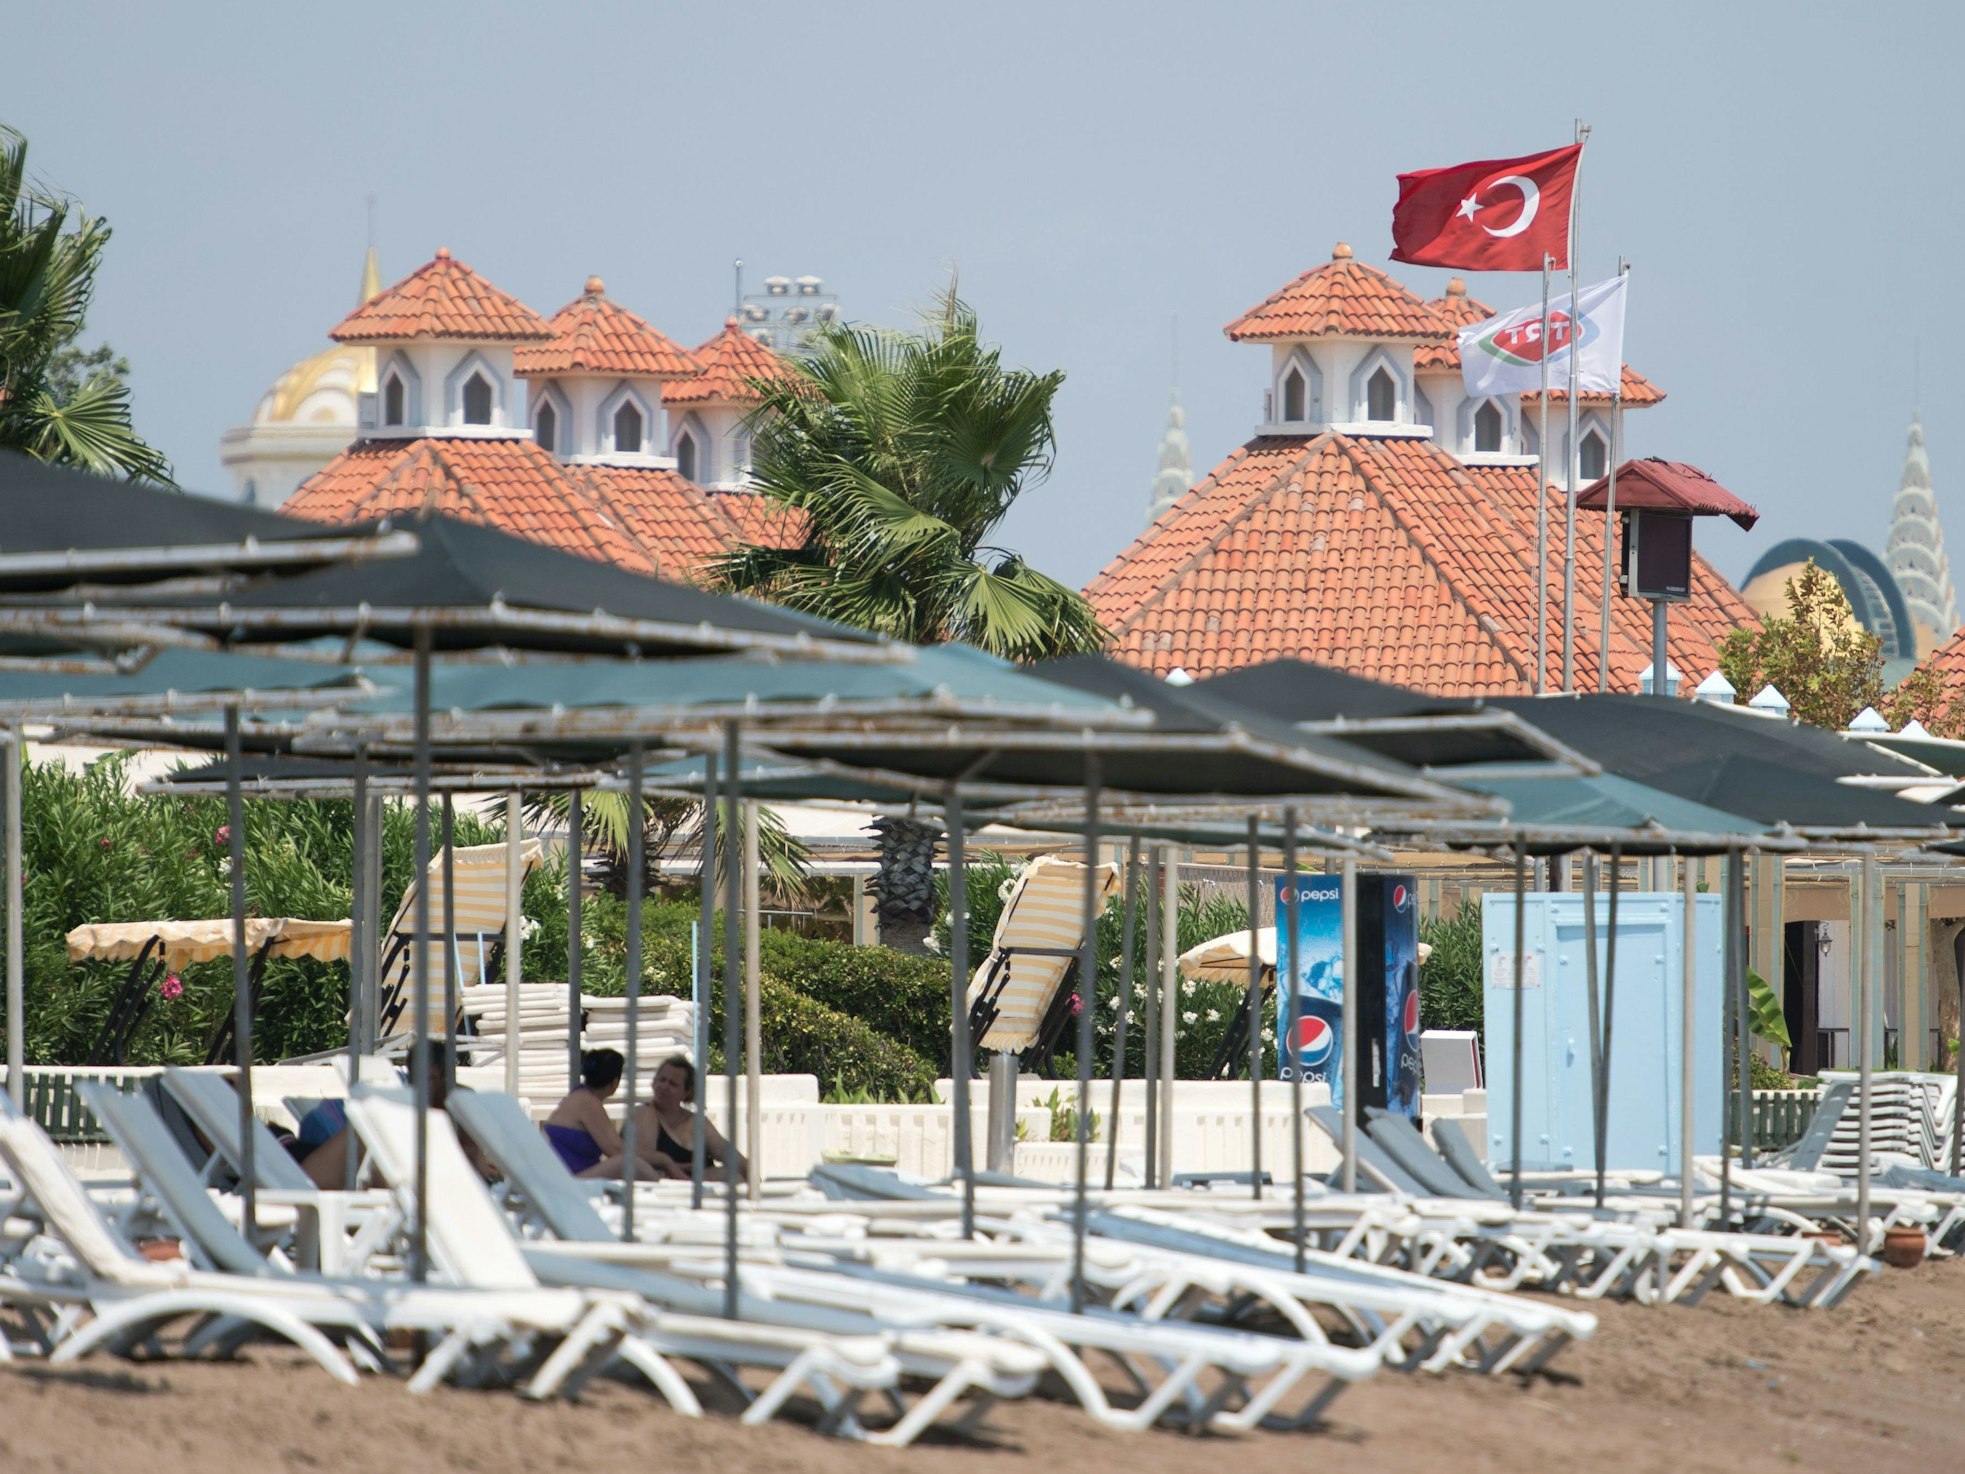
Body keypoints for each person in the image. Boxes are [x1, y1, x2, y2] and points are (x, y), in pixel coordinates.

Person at [541, 1048, 674, 1180]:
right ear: (615, 1083)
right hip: (567, 1180)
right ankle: (666, 1186)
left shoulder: (579, 1097)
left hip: (568, 1175)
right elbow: (616, 1150)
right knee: (626, 1163)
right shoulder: (587, 1101)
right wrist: (663, 1159)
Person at [632, 1054, 746, 1183]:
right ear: (653, 1083)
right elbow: (644, 1160)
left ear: (687, 1092)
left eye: (673, 1084)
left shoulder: (697, 1122)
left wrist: (753, 1178)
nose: (664, 1086)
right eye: (661, 1080)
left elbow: (727, 1153)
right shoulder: (645, 1113)